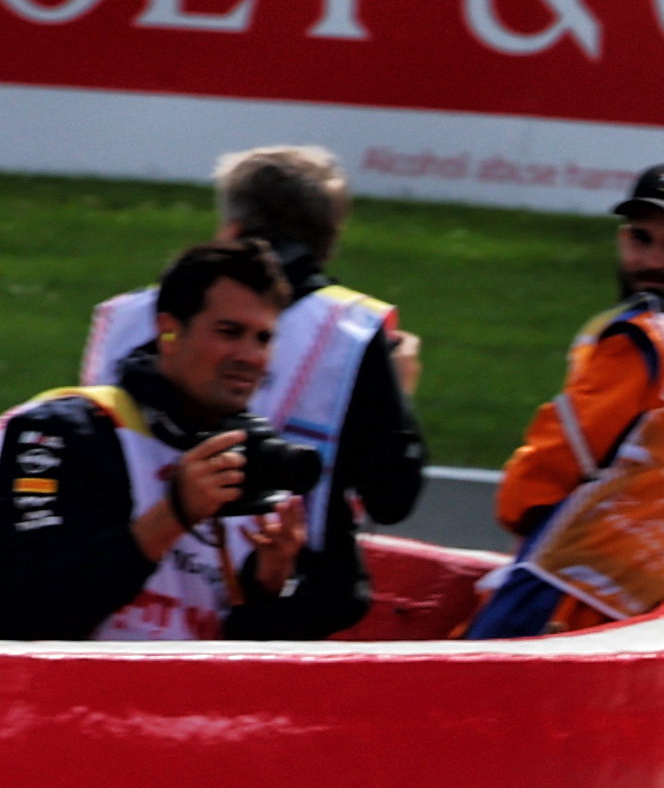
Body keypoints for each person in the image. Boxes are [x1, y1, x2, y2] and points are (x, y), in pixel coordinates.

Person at [1, 241, 368, 641]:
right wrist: (173, 515)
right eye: (230, 332)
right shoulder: (61, 433)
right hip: (65, 700)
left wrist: (269, 587)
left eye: (263, 339)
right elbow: (26, 612)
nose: (249, 355)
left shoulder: (252, 457)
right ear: (168, 329)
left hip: (186, 702)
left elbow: (241, 666)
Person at [473, 161, 664, 641]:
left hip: (565, 590)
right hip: (658, 606)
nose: (653, 260)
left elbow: (557, 457)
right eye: (641, 238)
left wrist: (519, 512)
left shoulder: (647, 338)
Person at [76, 143, 425, 530]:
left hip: (132, 558)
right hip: (283, 578)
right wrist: (400, 393)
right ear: (327, 244)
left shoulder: (123, 314)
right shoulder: (351, 329)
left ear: (232, 229)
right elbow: (391, 498)